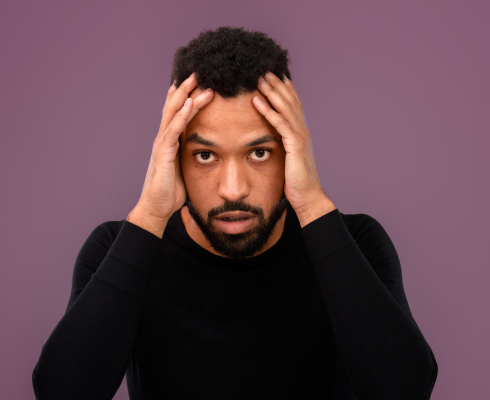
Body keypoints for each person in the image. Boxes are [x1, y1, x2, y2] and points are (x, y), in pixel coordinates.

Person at [32, 26, 438, 400]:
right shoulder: (117, 248)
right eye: (205, 155)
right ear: (174, 158)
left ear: (291, 152)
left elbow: (404, 390)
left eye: (259, 153)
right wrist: (151, 216)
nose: (233, 189)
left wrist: (312, 203)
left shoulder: (357, 244)